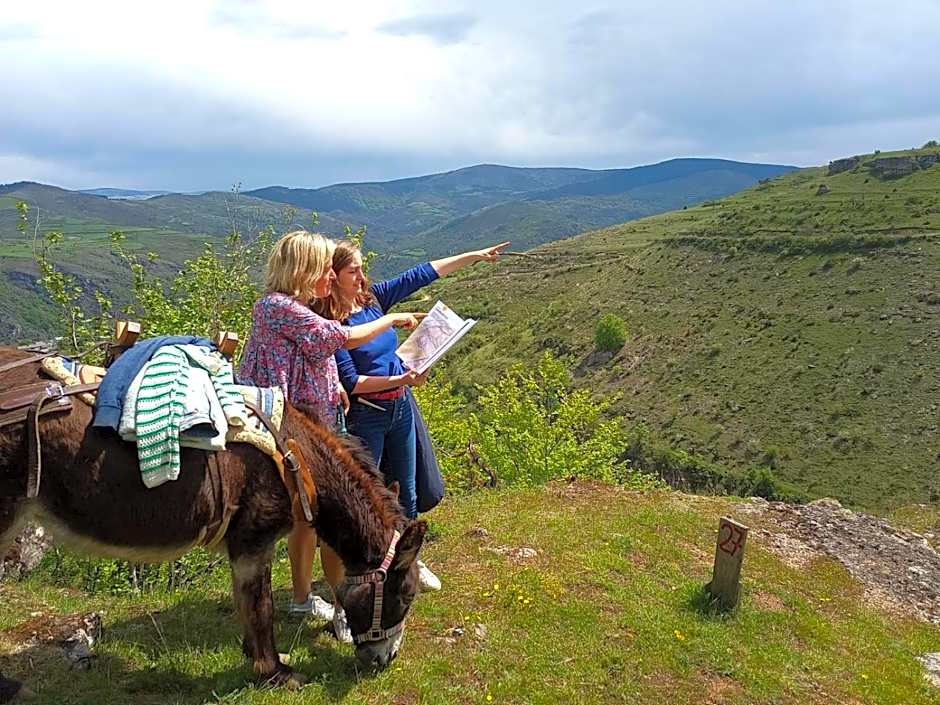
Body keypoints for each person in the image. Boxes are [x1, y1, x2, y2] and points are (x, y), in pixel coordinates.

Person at [238, 230, 424, 638]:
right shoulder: (276, 306)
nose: (328, 273)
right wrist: (390, 319)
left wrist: (334, 385)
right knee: (316, 516)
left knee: (313, 516)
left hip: (315, 423)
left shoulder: (295, 307)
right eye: (323, 266)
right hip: (295, 432)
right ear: (303, 269)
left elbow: (310, 354)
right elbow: (332, 338)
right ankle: (325, 601)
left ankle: (320, 598)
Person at [313, 240, 509, 592]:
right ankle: (363, 568)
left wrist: (474, 256)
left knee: (408, 491)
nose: (361, 276)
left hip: (399, 407)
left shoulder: (372, 300)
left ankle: (410, 561)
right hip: (366, 416)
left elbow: (421, 274)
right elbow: (353, 383)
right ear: (335, 276)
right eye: (352, 271)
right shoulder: (332, 323)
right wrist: (403, 377)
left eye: (361, 268)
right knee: (365, 496)